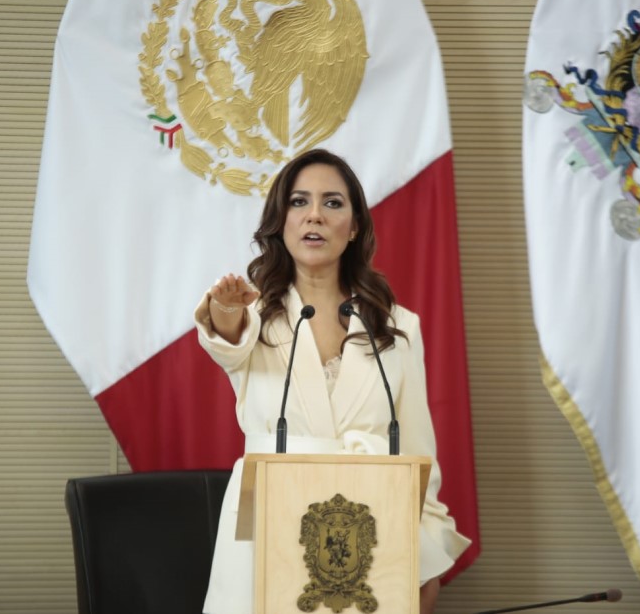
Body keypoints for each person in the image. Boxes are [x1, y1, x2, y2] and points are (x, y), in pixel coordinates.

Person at [194, 149, 471, 614]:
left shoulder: (398, 326)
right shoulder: (253, 316)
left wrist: (428, 558)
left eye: (333, 203)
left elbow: (418, 456)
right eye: (299, 202)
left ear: (356, 225)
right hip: (267, 536)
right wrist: (225, 308)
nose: (315, 216)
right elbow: (227, 341)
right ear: (281, 221)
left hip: (366, 538)